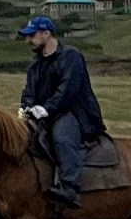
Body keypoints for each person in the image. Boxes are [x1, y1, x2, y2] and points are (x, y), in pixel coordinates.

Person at [18, 12, 104, 207]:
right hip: (44, 113)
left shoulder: (71, 57)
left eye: (32, 35)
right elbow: (28, 91)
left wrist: (46, 109)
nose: (28, 40)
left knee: (63, 138)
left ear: (46, 33)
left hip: (73, 112)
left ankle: (70, 188)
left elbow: (67, 90)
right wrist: (26, 107)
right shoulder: (35, 65)